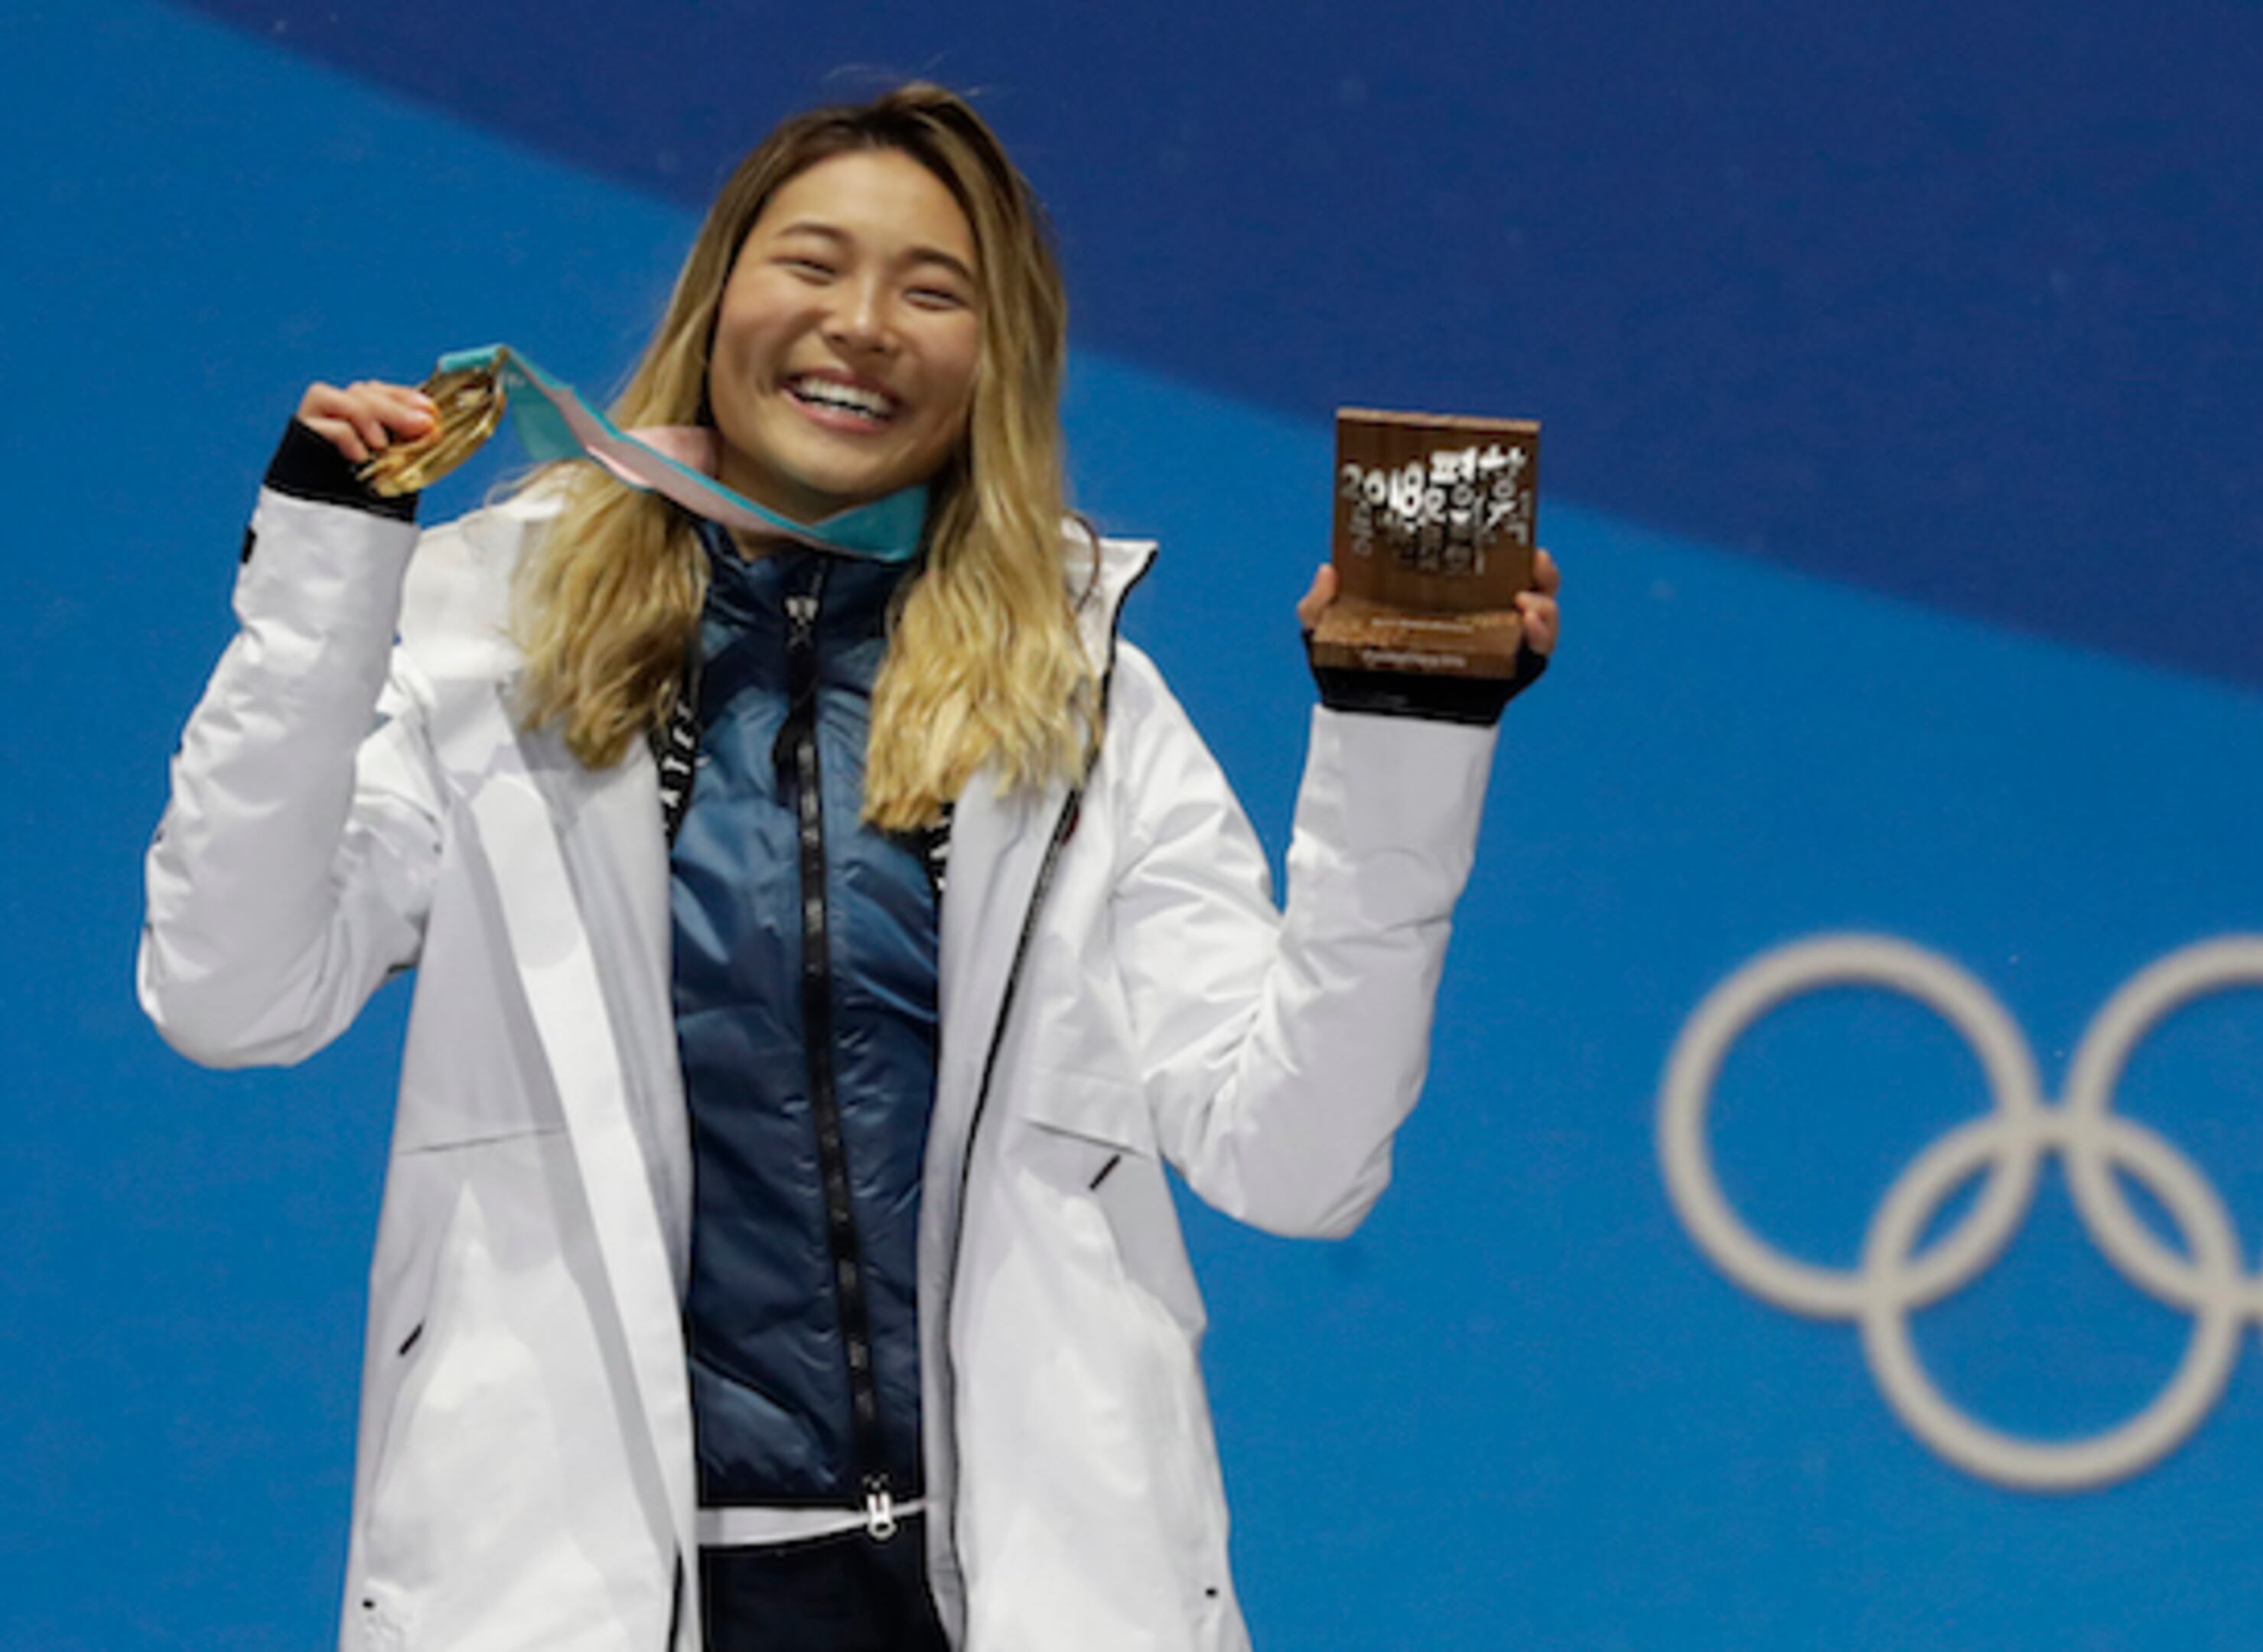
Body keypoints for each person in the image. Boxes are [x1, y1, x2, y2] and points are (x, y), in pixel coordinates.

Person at [138, 83, 1556, 1652]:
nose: (864, 323)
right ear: (722, 297)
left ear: (991, 361)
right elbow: (231, 990)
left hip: (1012, 1601)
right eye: (813, 263)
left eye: (932, 289)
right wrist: (325, 580)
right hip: (569, 1600)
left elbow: (1295, 1160)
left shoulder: (1075, 696)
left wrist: (1406, 727)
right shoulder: (500, 650)